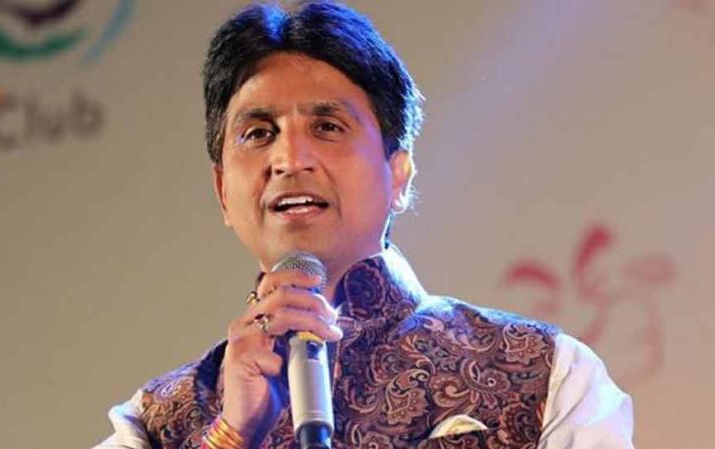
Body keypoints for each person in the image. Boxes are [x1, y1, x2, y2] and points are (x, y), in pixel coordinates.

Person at [92, 2, 634, 448]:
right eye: (259, 134)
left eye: (327, 126)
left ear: (399, 174)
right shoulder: (153, 423)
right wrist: (231, 435)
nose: (289, 159)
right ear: (222, 193)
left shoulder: (546, 374)